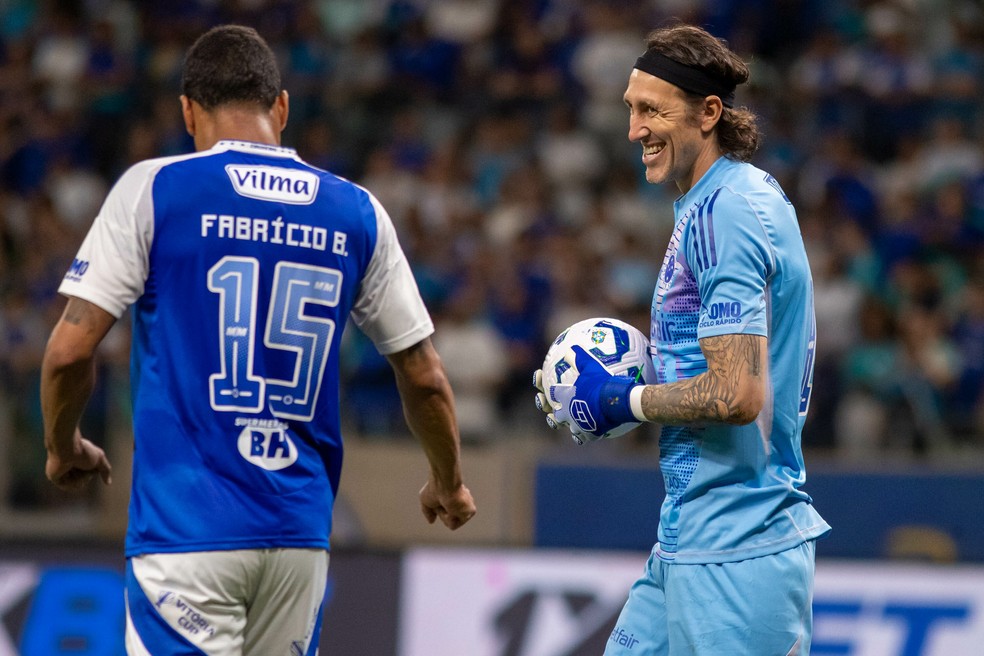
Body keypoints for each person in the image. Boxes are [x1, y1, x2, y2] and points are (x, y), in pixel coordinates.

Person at [40, 24, 476, 655]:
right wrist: (448, 480)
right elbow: (425, 376)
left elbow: (69, 351)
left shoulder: (154, 190)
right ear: (282, 107)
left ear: (188, 112)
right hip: (297, 540)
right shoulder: (357, 211)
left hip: (186, 534)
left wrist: (62, 446)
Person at [534, 23, 830, 655]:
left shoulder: (728, 209)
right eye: (630, 110)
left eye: (651, 110)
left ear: (709, 113)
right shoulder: (713, 203)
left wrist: (625, 399)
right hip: (690, 537)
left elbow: (737, 393)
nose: (634, 129)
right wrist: (606, 384)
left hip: (739, 551)